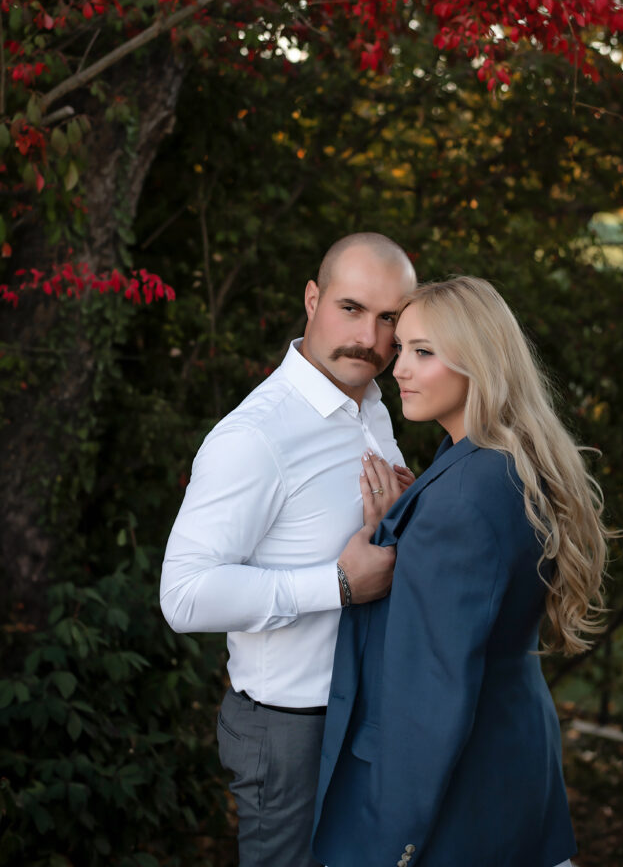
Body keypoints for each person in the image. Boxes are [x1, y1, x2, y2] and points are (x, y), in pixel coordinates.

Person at [312, 277, 613, 867]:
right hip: (514, 768)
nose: (398, 368)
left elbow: (431, 695)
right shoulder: (502, 463)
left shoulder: (464, 499)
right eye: (401, 349)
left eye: (423, 352)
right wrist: (399, 521)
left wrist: (396, 844)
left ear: (480, 363)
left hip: (456, 805)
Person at [160, 232, 417, 867]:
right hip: (290, 728)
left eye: (390, 319)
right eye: (351, 308)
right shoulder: (256, 435)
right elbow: (184, 595)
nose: (370, 337)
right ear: (312, 298)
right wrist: (335, 583)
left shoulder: (375, 408)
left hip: (367, 709)